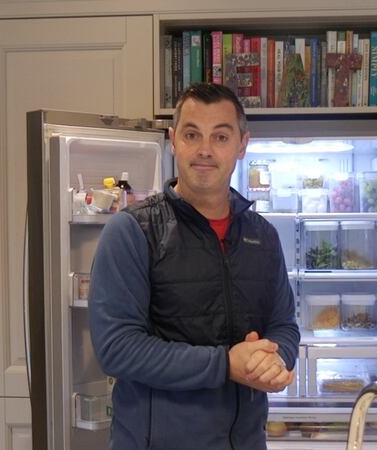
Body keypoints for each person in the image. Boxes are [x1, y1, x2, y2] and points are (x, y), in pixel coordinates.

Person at [89, 82, 300, 450]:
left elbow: (283, 326)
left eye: (220, 136)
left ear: (242, 144)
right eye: (192, 134)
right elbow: (117, 348)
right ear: (174, 140)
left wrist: (274, 359)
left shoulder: (263, 236)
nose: (205, 150)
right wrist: (225, 365)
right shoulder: (133, 231)